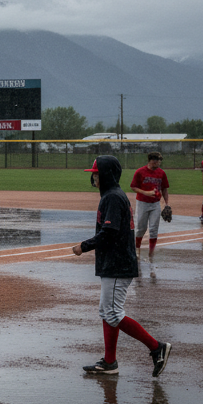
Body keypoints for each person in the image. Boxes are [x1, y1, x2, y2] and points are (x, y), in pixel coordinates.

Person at [73, 156, 170, 377]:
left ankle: (157, 347)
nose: (93, 177)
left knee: (113, 313)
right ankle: (109, 362)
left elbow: (109, 233)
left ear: (106, 175)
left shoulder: (113, 198)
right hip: (113, 263)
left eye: (96, 173)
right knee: (106, 312)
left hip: (118, 264)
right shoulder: (111, 195)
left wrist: (84, 246)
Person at [129, 150, 170, 262]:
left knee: (153, 229)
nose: (159, 163)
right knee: (141, 228)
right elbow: (133, 186)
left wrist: (166, 204)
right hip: (142, 203)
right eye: (157, 161)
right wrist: (146, 193)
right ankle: (137, 249)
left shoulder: (161, 173)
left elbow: (164, 189)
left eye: (159, 161)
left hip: (155, 204)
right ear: (151, 161)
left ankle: (151, 253)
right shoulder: (140, 172)